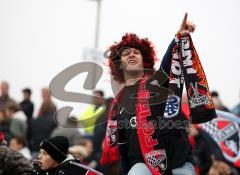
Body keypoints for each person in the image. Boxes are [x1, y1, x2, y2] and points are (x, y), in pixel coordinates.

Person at [100, 13, 217, 175]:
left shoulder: (157, 82)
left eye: (136, 52)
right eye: (126, 54)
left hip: (179, 163)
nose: (132, 54)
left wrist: (178, 36)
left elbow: (169, 63)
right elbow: (122, 148)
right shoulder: (117, 105)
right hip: (142, 166)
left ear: (145, 59)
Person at [32, 136, 102, 175]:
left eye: (45, 153)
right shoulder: (38, 170)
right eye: (40, 152)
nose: (39, 156)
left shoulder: (75, 171)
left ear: (56, 157)